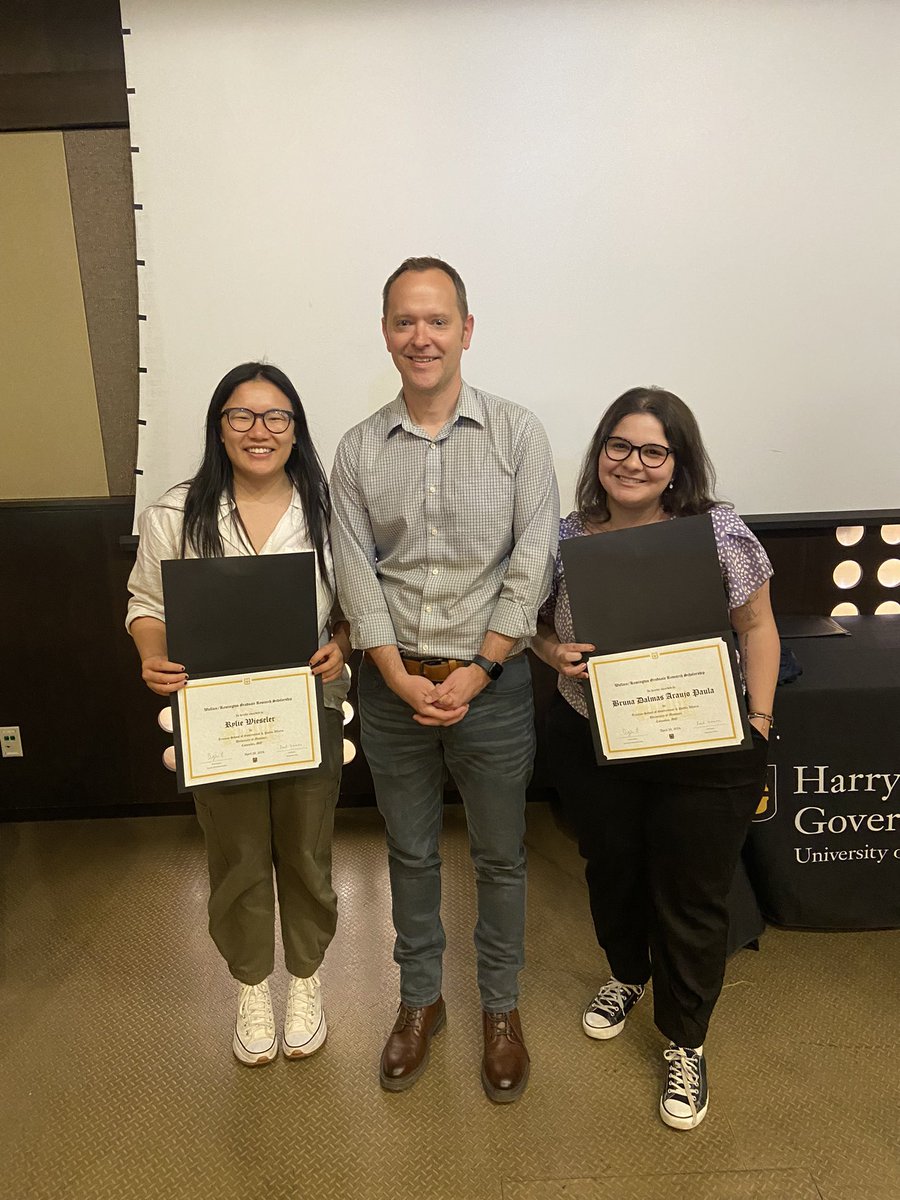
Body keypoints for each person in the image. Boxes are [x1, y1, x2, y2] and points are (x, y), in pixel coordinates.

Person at [330, 257, 558, 1102]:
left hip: (490, 691)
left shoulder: (518, 435)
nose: (419, 336)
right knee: (409, 853)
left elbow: (533, 558)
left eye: (436, 320)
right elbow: (355, 572)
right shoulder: (356, 450)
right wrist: (390, 673)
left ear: (466, 329)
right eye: (403, 321)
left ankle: (500, 1008)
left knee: (500, 859)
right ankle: (420, 1001)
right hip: (393, 692)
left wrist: (481, 668)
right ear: (385, 333)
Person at [532, 386, 778, 1130]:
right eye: (618, 445)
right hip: (596, 739)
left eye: (652, 451)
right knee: (612, 870)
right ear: (599, 453)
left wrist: (760, 725)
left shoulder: (717, 533)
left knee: (693, 893)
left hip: (707, 744)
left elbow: (759, 628)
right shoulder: (567, 535)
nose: (631, 462)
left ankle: (685, 1040)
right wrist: (553, 653)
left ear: (677, 464)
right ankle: (626, 973)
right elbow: (536, 625)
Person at [126, 362, 350, 1066]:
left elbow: (354, 613)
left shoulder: (329, 511)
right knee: (236, 855)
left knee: (308, 853)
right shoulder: (175, 512)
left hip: (306, 704)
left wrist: (341, 648)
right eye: (241, 416)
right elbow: (145, 606)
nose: (260, 431)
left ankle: (307, 981)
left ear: (296, 429)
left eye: (276, 417)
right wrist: (151, 654)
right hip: (217, 714)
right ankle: (253, 986)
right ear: (218, 427)